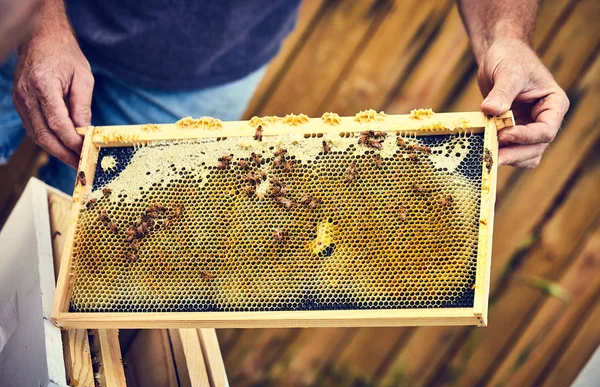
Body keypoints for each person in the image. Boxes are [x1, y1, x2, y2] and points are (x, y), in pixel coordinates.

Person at [1, 0, 569, 193]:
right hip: (25, 19)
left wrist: (507, 39)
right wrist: (40, 21)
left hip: (206, 69)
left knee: (82, 273)